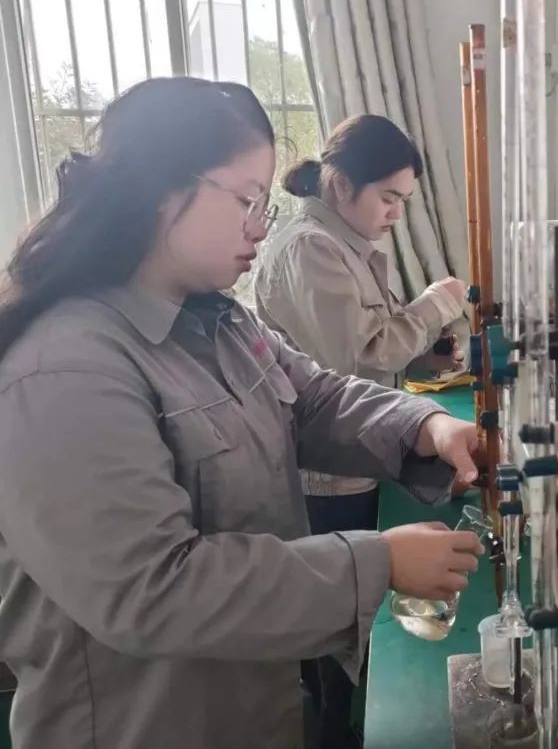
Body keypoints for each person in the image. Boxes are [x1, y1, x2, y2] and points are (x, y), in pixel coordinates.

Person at [0, 78, 483, 749]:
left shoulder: (216, 318)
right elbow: (151, 590)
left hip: (250, 699)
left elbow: (312, 398)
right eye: (246, 200)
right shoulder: (65, 370)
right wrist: (376, 564)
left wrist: (425, 425)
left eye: (265, 205)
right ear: (160, 188)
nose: (259, 226)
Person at [254, 115, 468, 747]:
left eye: (404, 200)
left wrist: (426, 358)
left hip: (354, 454)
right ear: (341, 184)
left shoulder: (344, 244)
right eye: (388, 197)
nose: (397, 213)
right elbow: (352, 362)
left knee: (351, 612)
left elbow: (375, 344)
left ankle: (339, 716)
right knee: (334, 621)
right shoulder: (309, 248)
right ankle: (333, 730)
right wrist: (436, 303)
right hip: (325, 472)